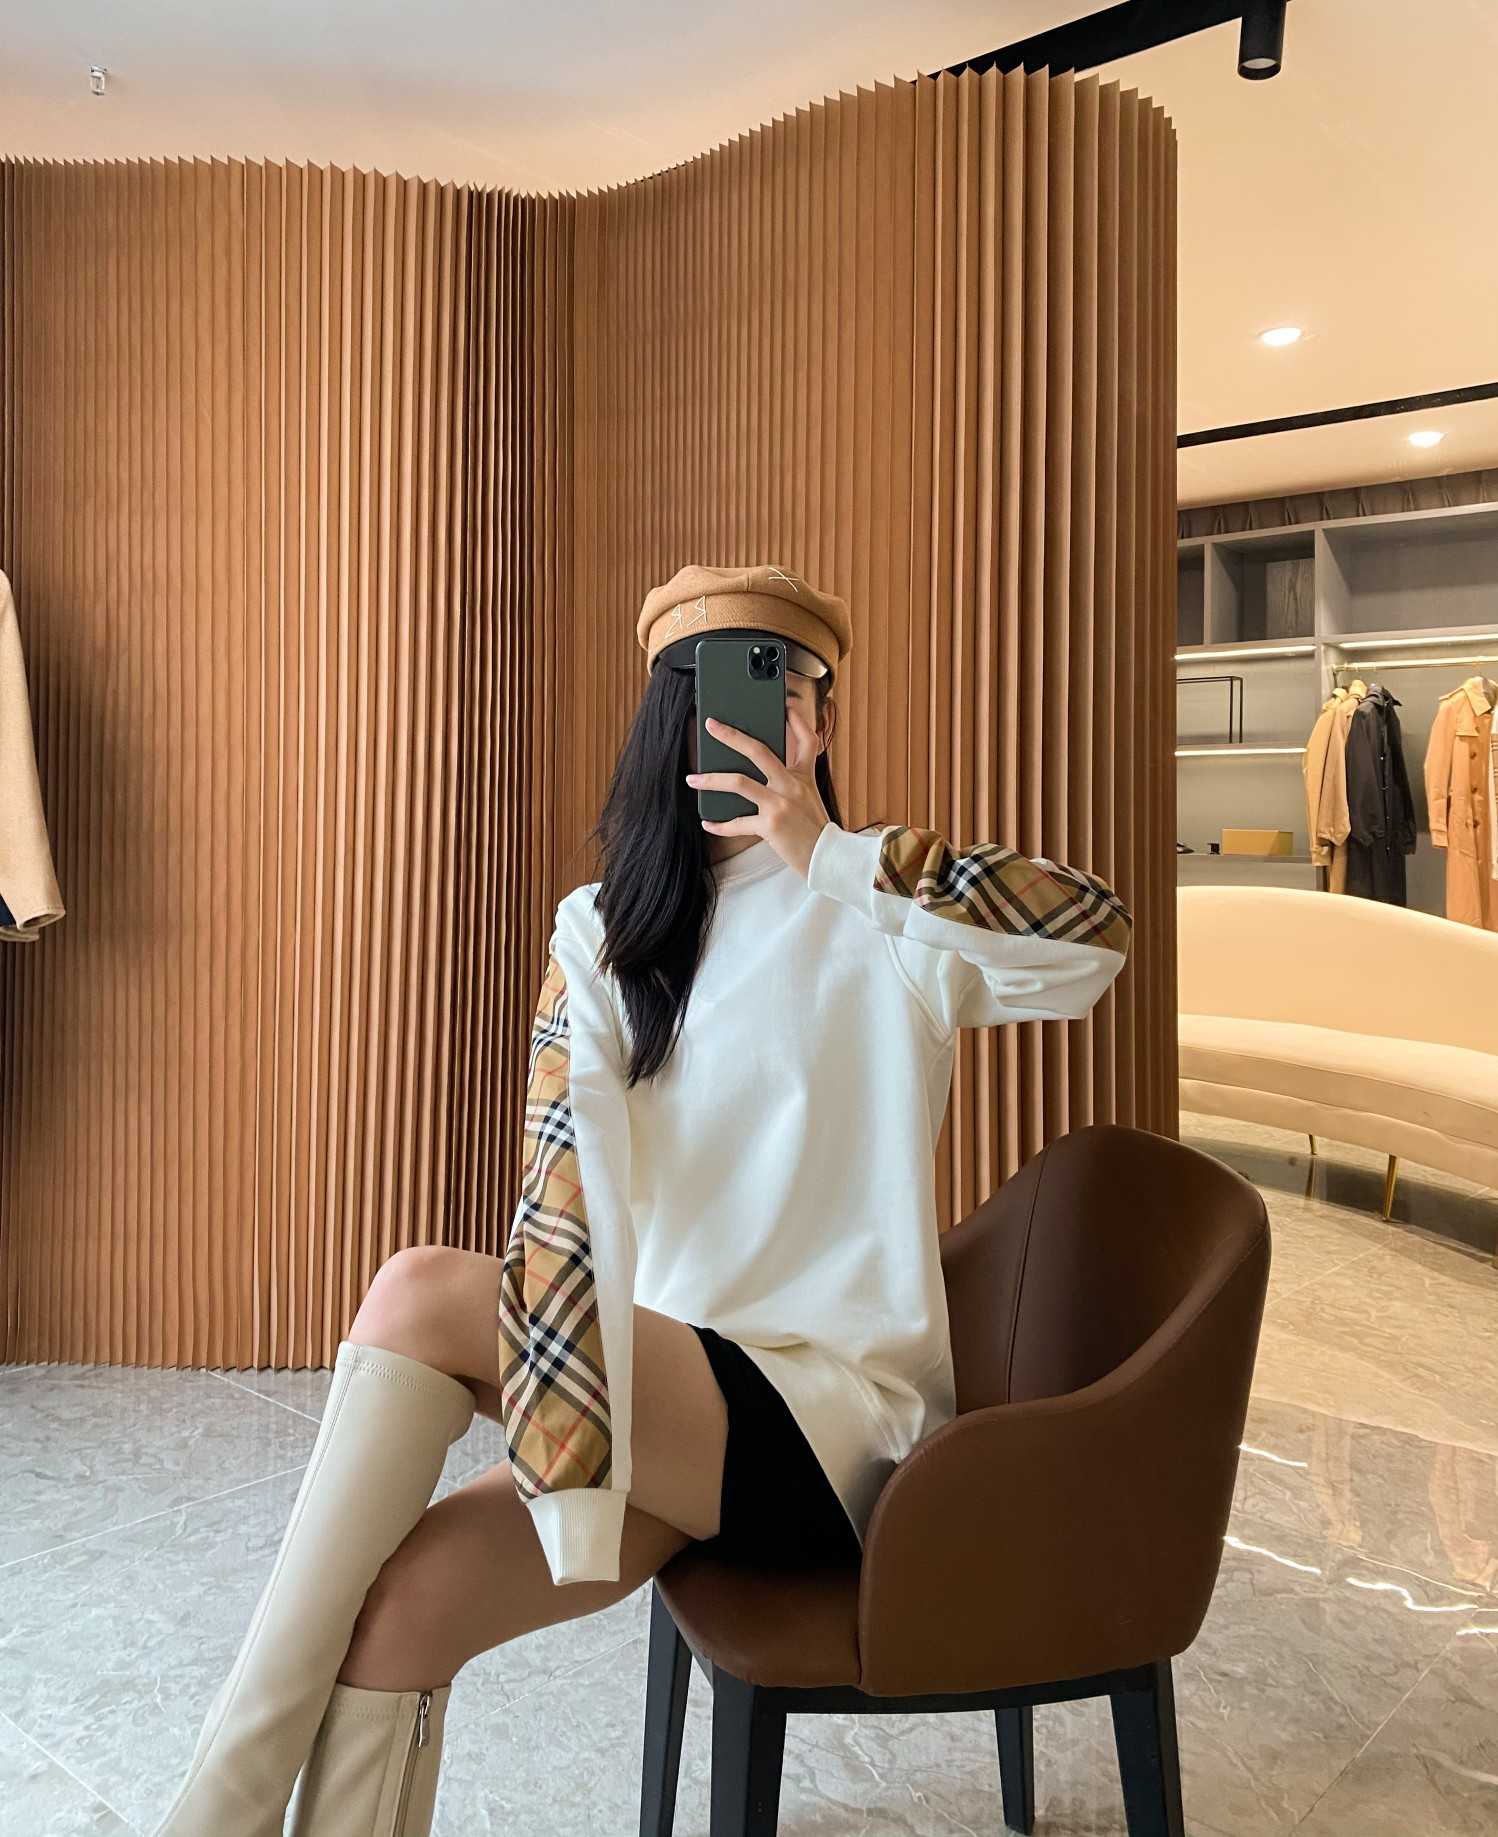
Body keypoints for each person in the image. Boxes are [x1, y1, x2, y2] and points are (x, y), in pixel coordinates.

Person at [152, 562, 1133, 1837]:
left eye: (785, 686)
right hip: (662, 1405)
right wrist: (573, 1448)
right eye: (714, 691)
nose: (753, 718)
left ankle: (212, 1814)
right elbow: (565, 1192)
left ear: (822, 720)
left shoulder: (884, 911)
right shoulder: (604, 932)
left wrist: (831, 857)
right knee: (400, 1615)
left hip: (834, 1426)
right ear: (669, 721)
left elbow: (1092, 940)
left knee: (417, 1287)